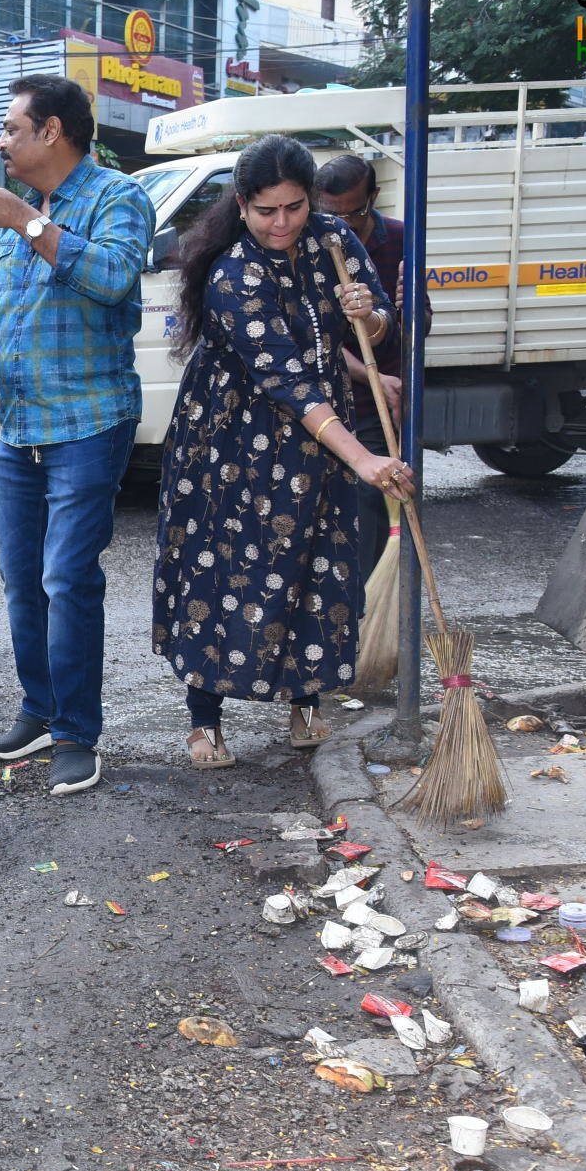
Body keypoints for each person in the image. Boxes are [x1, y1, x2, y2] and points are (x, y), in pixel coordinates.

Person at [0, 74, 154, 796]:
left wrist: (27, 220)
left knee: (67, 577)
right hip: (19, 427)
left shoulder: (118, 197)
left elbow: (114, 278)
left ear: (52, 131)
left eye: (15, 130)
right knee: (23, 580)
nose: (5, 143)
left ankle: (78, 732)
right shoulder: (9, 217)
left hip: (88, 422)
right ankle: (40, 710)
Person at [154, 135, 411, 767]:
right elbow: (286, 381)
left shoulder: (332, 240)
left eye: (294, 207)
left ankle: (305, 700)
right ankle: (204, 719)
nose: (282, 223)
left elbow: (381, 327)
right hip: (230, 441)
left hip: (320, 433)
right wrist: (364, 459)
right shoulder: (231, 274)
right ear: (241, 205)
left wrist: (369, 317)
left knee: (316, 560)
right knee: (223, 566)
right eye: (267, 210)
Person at [315, 153, 434, 582]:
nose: (343, 225)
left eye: (355, 212)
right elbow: (314, 339)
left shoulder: (403, 240)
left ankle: (367, 614)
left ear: (374, 198)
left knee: (375, 502)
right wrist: (371, 374)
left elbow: (416, 330)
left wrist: (408, 309)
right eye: (332, 214)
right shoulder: (313, 241)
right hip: (325, 397)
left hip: (379, 402)